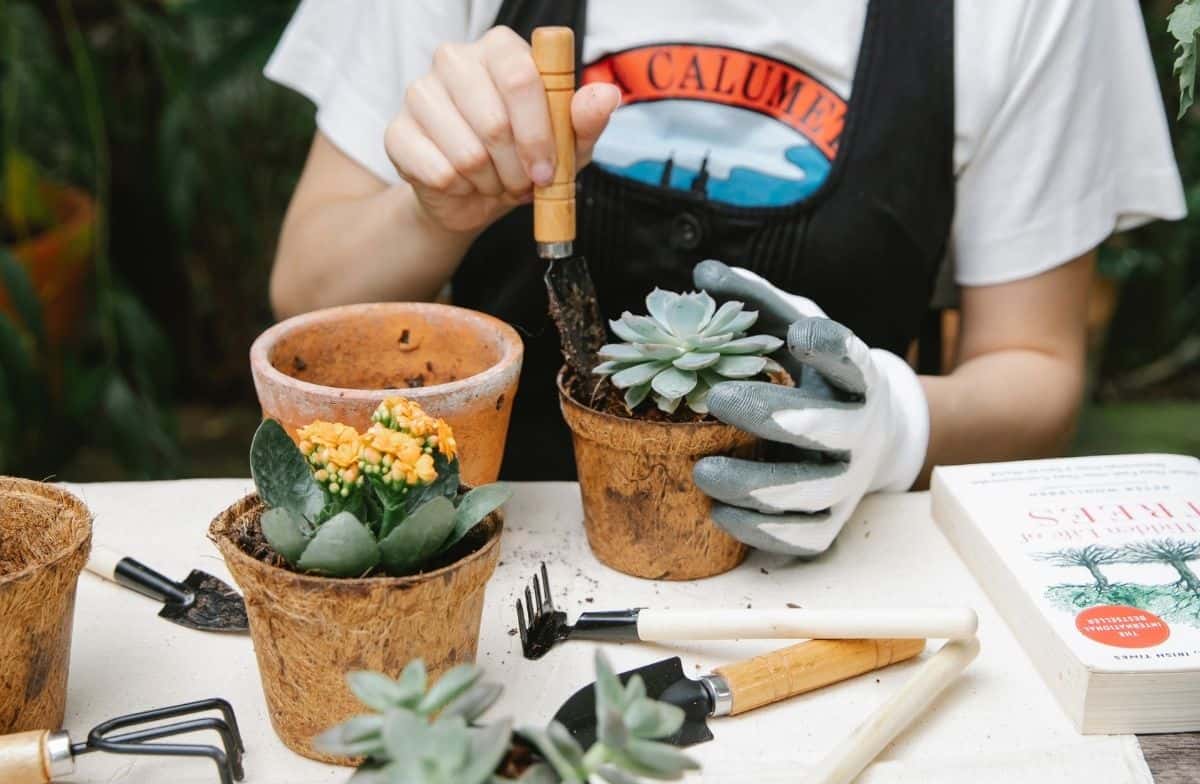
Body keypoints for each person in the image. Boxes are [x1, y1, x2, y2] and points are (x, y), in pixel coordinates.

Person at [264, 0, 1185, 554]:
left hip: (844, 569)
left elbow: (1035, 366)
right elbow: (308, 293)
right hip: (494, 558)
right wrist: (432, 212)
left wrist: (895, 424)